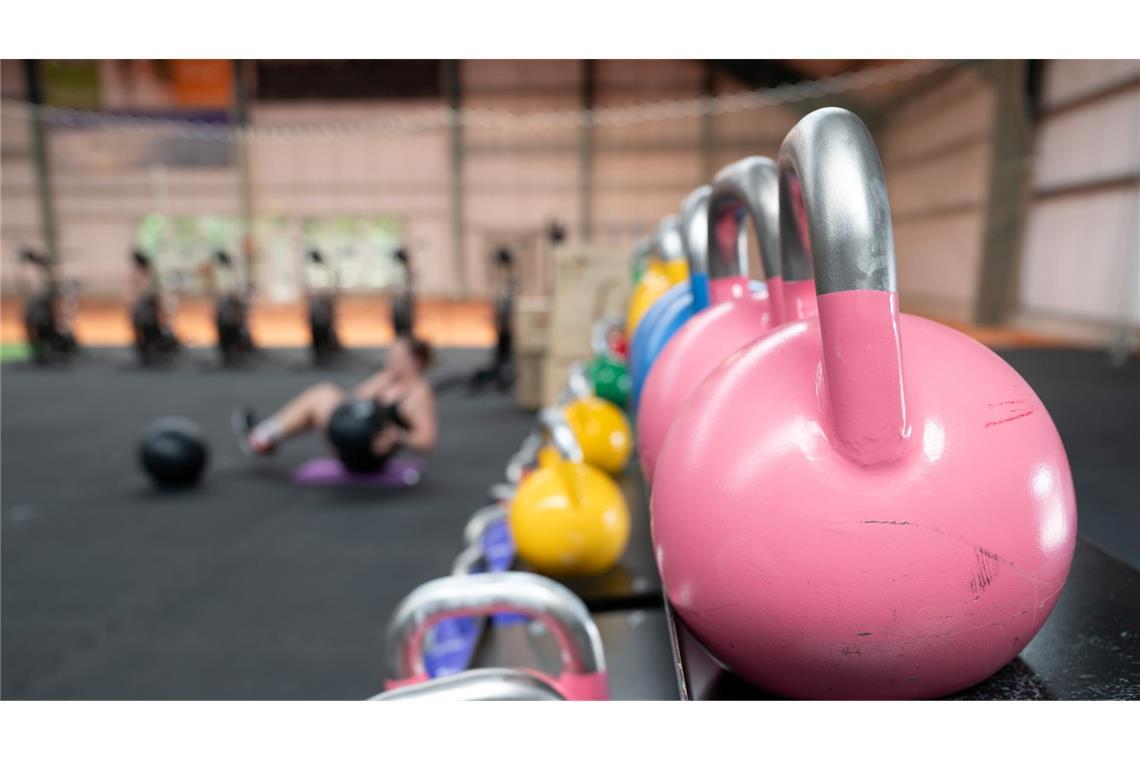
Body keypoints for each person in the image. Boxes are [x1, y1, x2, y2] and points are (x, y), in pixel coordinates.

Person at [233, 335, 438, 472]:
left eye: (397, 357)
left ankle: (262, 437)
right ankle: (264, 438)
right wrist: (380, 384)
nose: (391, 361)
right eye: (391, 355)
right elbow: (352, 401)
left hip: (371, 456)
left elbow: (427, 441)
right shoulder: (387, 379)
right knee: (323, 399)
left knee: (322, 395)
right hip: (353, 441)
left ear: (415, 362)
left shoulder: (418, 394)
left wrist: (398, 436)